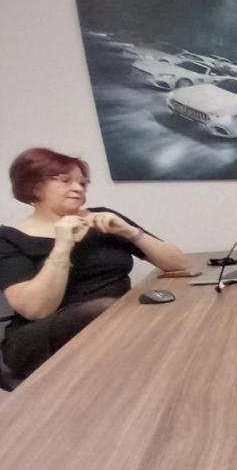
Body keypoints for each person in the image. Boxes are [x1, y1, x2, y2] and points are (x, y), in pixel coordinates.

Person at [0, 148, 188, 378]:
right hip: (41, 337)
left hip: (118, 324)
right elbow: (36, 310)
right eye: (65, 181)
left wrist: (130, 232)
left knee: (172, 315)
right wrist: (62, 246)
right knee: (109, 311)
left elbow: (178, 263)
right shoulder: (7, 238)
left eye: (83, 183)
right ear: (34, 186)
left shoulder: (102, 218)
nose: (78, 188)